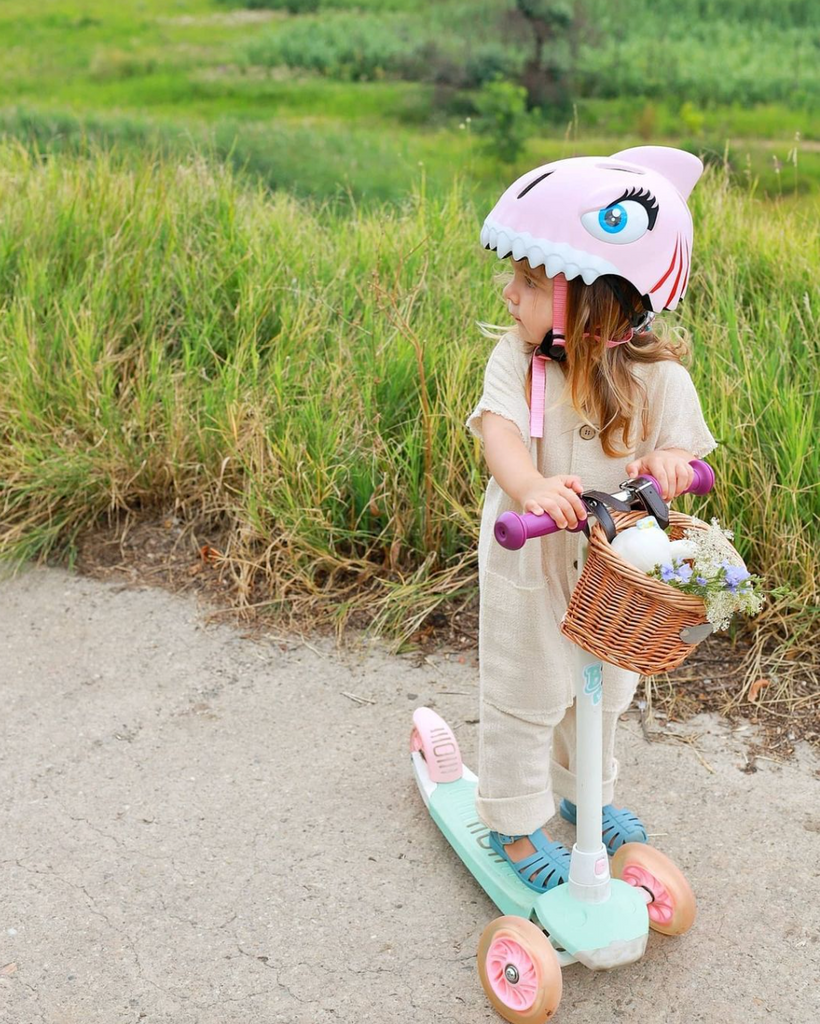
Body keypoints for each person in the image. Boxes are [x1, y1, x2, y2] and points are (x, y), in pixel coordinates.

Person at [466, 146, 718, 892]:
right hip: (531, 560)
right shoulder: (519, 363)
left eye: (529, 280)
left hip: (614, 571)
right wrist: (531, 485)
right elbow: (498, 434)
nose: (509, 294)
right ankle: (514, 822)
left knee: (603, 690)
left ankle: (586, 794)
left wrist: (671, 463)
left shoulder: (658, 377)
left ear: (595, 298)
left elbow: (684, 453)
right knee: (528, 689)